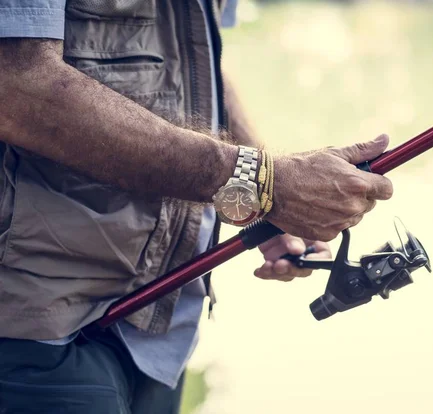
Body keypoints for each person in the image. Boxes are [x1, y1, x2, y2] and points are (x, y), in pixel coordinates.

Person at [0, 0, 393, 412]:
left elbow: (201, 58)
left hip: (163, 322)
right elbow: (18, 83)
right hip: (42, 328)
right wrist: (259, 179)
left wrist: (267, 200)